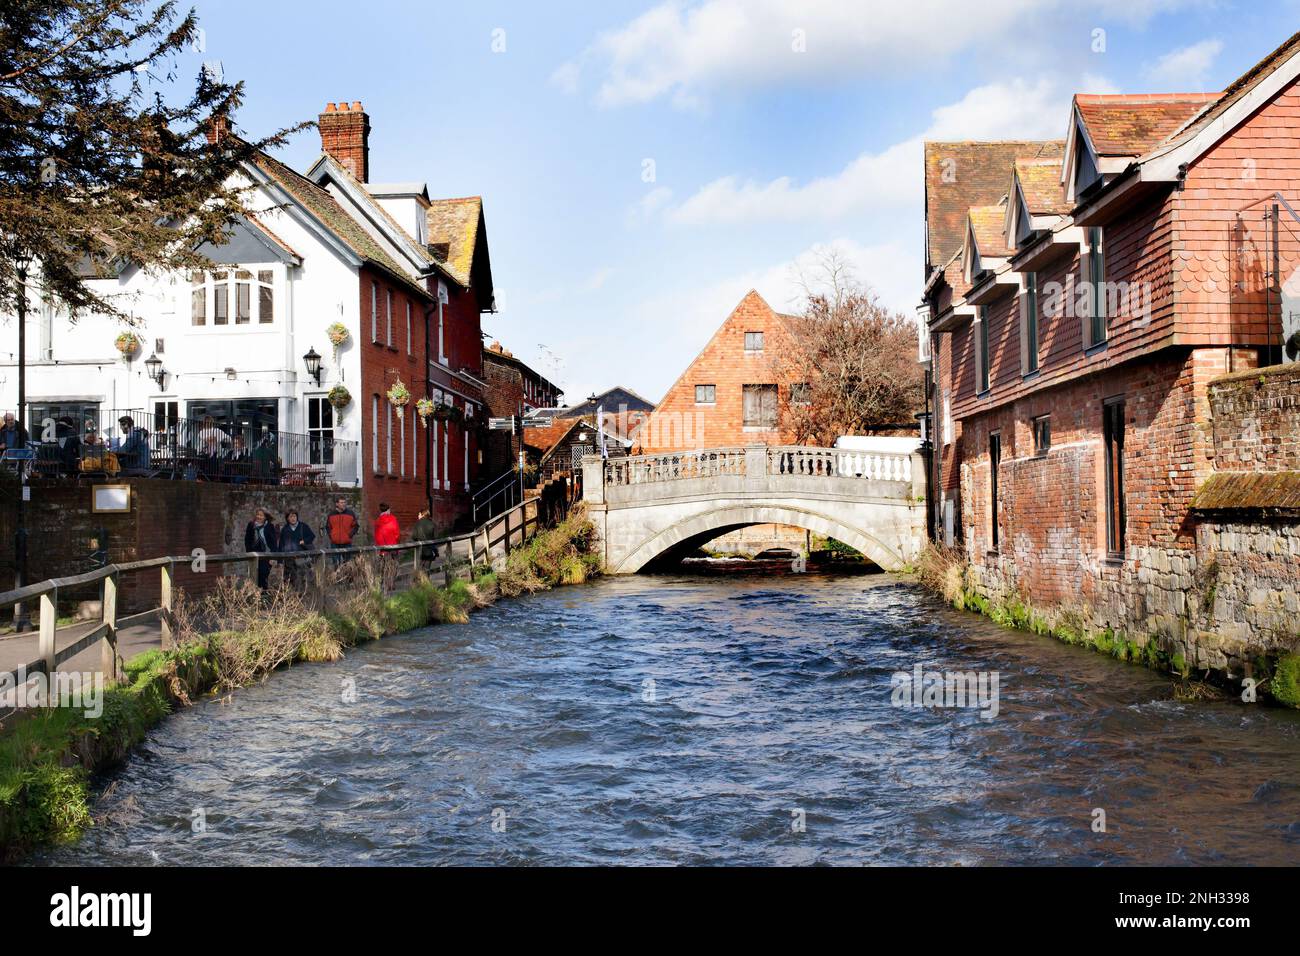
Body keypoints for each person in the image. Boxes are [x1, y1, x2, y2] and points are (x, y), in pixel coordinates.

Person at [278, 509, 316, 588]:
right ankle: (292, 597)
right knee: (289, 579)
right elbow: (281, 545)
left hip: (301, 558)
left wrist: (305, 541)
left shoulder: (303, 526)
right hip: (289, 558)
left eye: (294, 516)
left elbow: (312, 536)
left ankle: (303, 596)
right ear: (287, 518)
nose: (293, 518)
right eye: (290, 516)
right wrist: (280, 561)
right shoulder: (285, 529)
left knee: (302, 578)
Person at [243, 507, 279, 590]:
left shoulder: (269, 526)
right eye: (257, 515)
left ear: (265, 517)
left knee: (263, 576)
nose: (259, 517)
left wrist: (273, 557)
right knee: (254, 577)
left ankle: (264, 596)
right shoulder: (251, 525)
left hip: (266, 555)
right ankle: (256, 597)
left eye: (261, 515)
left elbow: (273, 542)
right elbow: (247, 540)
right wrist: (248, 553)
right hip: (254, 555)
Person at [325, 497, 359, 564]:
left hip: (347, 543)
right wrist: (332, 536)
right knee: (336, 563)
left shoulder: (350, 513)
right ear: (337, 504)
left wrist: (350, 535)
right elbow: (328, 527)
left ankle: (346, 575)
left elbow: (356, 526)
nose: (343, 504)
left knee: (347, 563)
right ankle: (337, 574)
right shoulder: (331, 514)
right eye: (341, 502)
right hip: (335, 543)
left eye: (344, 502)